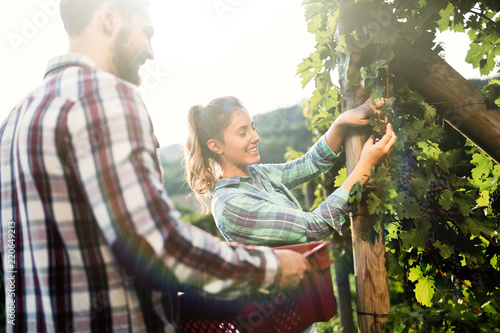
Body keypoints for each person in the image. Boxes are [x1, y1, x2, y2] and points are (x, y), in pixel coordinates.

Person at [0, 1, 310, 332]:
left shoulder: (14, 121)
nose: (149, 52)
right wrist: (270, 268)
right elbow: (157, 242)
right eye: (146, 33)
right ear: (109, 18)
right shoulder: (105, 95)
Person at [185, 96, 397, 246]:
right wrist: (364, 167)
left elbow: (309, 164)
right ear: (216, 146)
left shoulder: (255, 175)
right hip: (281, 308)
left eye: (253, 127)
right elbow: (314, 227)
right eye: (242, 132)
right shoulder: (232, 205)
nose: (255, 137)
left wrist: (341, 122)